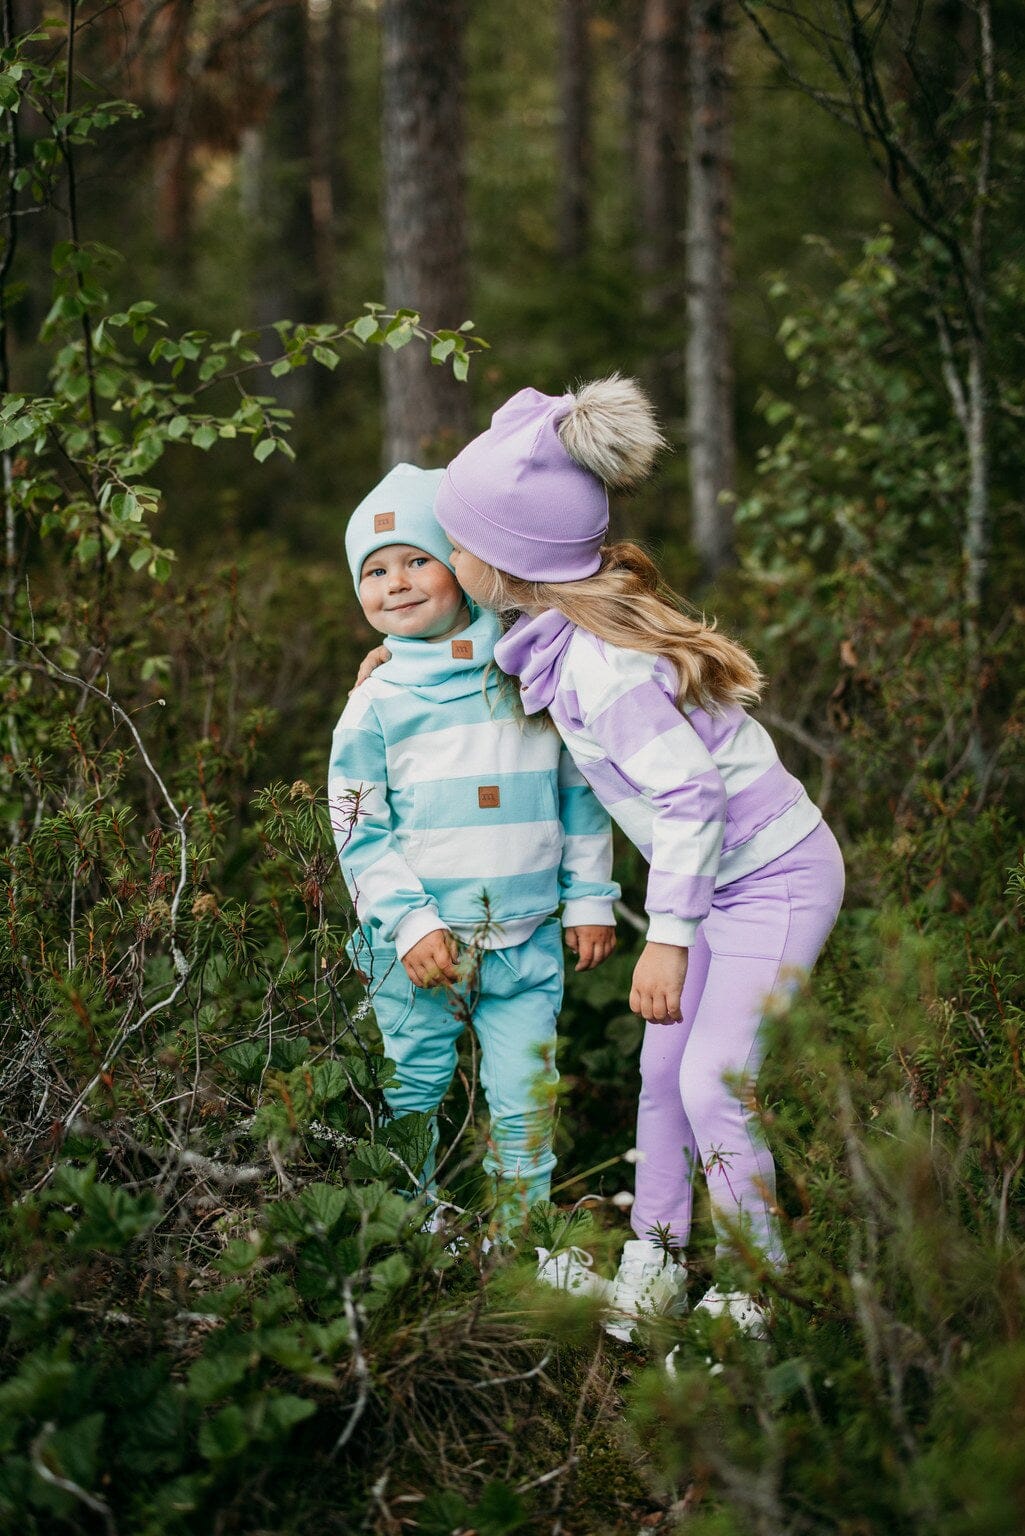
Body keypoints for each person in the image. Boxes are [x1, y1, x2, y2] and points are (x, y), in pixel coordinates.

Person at [424, 377, 846, 1344]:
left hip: (771, 878)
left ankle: (754, 1295)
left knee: (711, 1084)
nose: (449, 560)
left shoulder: (604, 668)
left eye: (459, 545)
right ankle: (655, 1255)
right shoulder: (553, 628)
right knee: (661, 1079)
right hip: (714, 885)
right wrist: (394, 665)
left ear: (511, 562)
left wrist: (667, 937)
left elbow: (692, 796)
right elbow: (484, 649)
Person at [328, 462, 619, 1272]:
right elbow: (357, 827)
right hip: (419, 951)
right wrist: (409, 924)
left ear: (462, 564)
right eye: (373, 571)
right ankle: (406, 1229)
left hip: (526, 939)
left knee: (526, 1098)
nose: (395, 582)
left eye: (417, 559)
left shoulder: (526, 667)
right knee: (412, 1088)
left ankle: (520, 1238)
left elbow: (578, 791)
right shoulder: (375, 701)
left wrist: (589, 898)